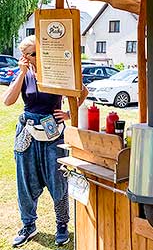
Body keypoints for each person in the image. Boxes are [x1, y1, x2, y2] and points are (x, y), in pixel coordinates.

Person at [2, 35, 88, 247]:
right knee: (25, 181)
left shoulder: (57, 70)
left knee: (57, 179)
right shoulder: (23, 74)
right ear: (25, 57)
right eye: (33, 53)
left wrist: (69, 113)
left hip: (53, 131)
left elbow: (82, 91)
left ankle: (61, 225)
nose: (37, 56)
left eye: (39, 51)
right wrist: (21, 72)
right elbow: (8, 101)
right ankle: (28, 225)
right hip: (28, 132)